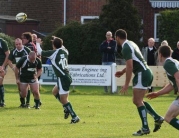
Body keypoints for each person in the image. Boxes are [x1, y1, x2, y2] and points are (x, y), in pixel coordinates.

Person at [114, 29, 164, 136]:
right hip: (146, 72)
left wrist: (126, 84)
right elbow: (134, 62)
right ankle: (156, 118)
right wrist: (122, 72)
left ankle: (146, 127)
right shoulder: (131, 43)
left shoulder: (125, 48)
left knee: (137, 101)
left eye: (115, 38)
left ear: (117, 37)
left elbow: (130, 66)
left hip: (142, 73)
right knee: (138, 100)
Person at [36, 36, 80, 123]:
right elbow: (62, 46)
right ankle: (66, 108)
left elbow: (40, 52)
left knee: (64, 99)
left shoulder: (54, 53)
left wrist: (37, 43)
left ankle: (75, 117)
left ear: (53, 45)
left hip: (63, 77)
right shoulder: (65, 51)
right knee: (54, 92)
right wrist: (57, 39)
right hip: (65, 76)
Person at [147, 45, 179, 130]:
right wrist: (157, 93)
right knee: (169, 117)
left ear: (160, 55)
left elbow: (178, 77)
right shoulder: (173, 61)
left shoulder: (167, 64)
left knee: (169, 117)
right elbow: (172, 84)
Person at [8, 38, 31, 107]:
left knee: (27, 86)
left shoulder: (27, 50)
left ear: (22, 43)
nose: (18, 45)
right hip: (18, 72)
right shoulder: (13, 51)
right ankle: (22, 103)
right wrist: (13, 67)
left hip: (26, 71)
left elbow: (32, 59)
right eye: (16, 44)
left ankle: (27, 103)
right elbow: (9, 61)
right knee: (19, 86)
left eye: (19, 44)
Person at [21, 32, 37, 107]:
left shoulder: (29, 46)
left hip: (32, 69)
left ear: (27, 39)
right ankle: (32, 102)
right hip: (31, 68)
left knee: (31, 87)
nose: (22, 40)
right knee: (31, 87)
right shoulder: (28, 45)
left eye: (23, 38)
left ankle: (30, 103)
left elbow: (29, 57)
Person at [0, 38, 10, 107]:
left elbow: (8, 54)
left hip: (1, 65)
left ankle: (2, 101)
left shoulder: (2, 42)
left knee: (0, 81)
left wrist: (3, 66)